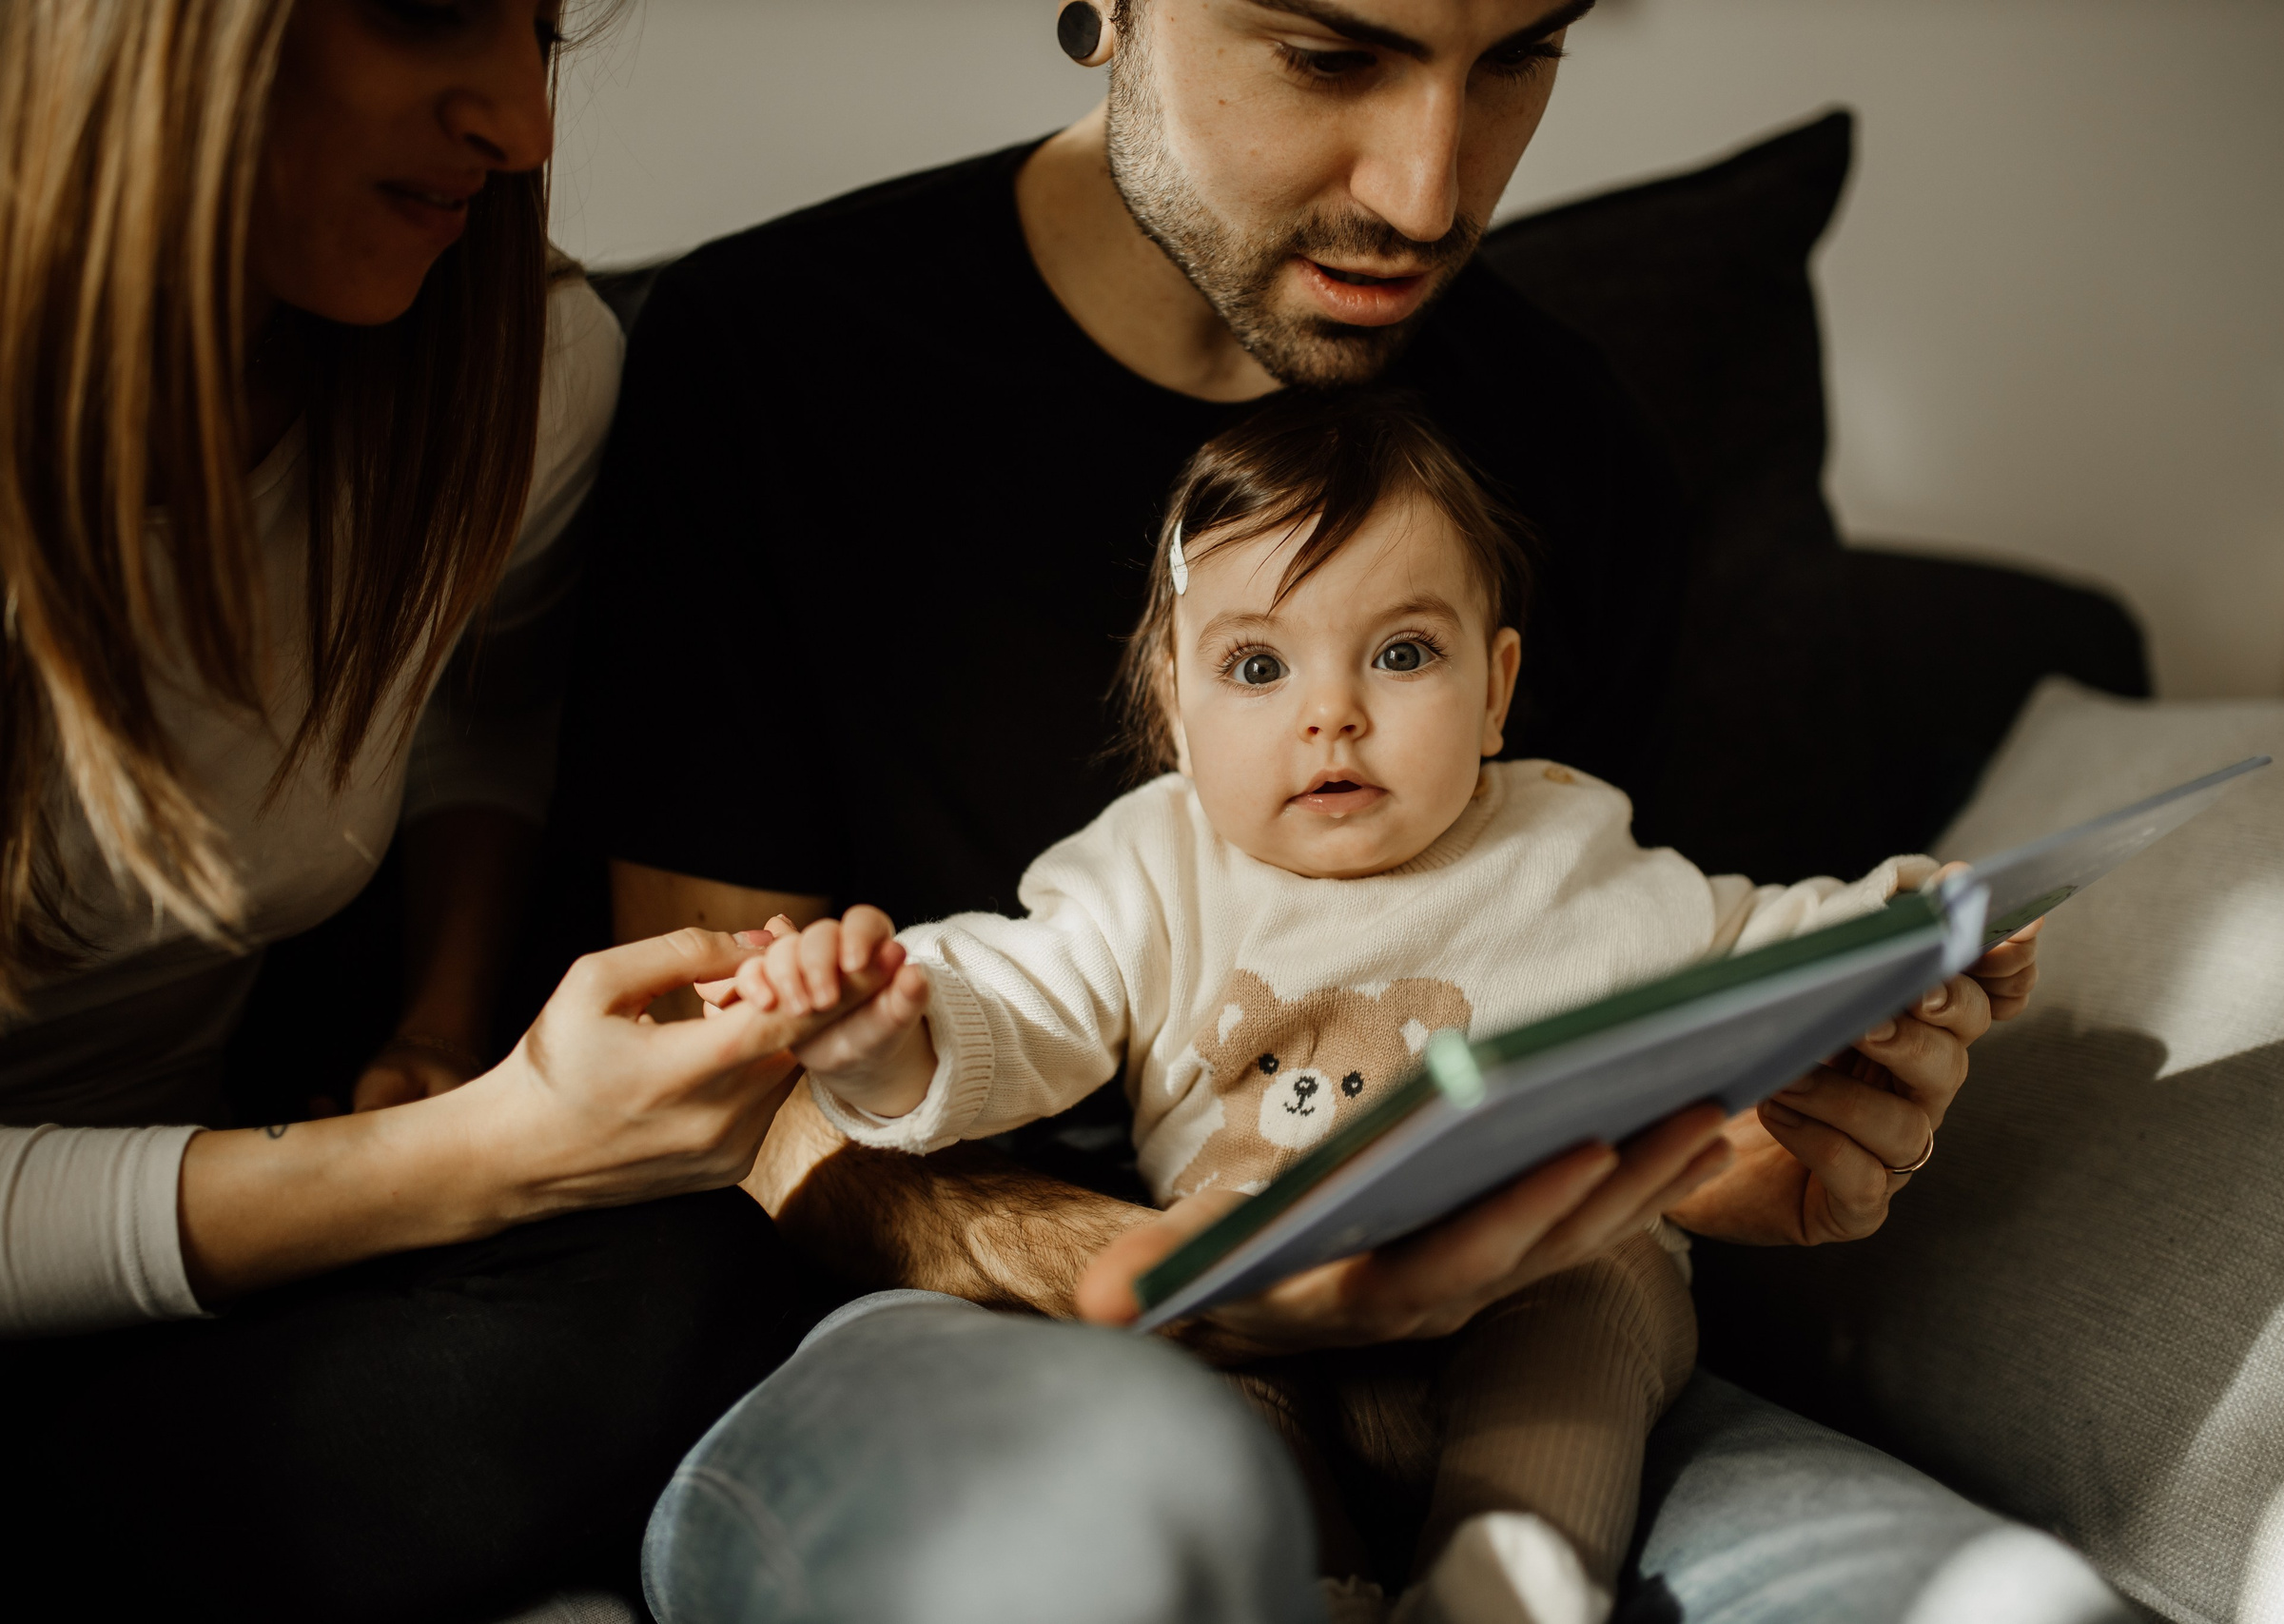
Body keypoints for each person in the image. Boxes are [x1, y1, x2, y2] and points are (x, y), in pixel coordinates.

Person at [578, 6, 2122, 1621]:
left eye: (1519, 55)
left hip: (1527, 1324)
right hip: (1001, 1330)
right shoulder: (770, 355)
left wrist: (1769, 1141)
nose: (1430, 190)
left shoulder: (1572, 449)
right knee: (1141, 1540)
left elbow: (1625, 966)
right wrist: (1158, 1280)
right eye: (1331, 55)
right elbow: (718, 1065)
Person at [713, 391, 1985, 1624]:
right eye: (1258, 665)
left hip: (1535, 1276)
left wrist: (1916, 932)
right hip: (1264, 1312)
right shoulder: (1152, 867)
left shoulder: (1566, 846)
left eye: (1402, 653)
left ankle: (1512, 1573)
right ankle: (1310, 1584)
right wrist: (889, 1037)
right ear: (1173, 704)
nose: (1333, 713)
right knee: (1188, 1376)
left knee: (1600, 1294)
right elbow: (1018, 996)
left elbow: (1754, 942)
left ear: (1496, 691)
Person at [0, 4, 917, 1617]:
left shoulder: (517, 365)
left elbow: (478, 699)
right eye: (424, 11)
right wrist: (472, 1157)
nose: (524, 126)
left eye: (541, 34)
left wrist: (443, 1025)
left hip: (211, 1211)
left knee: (685, 1278)